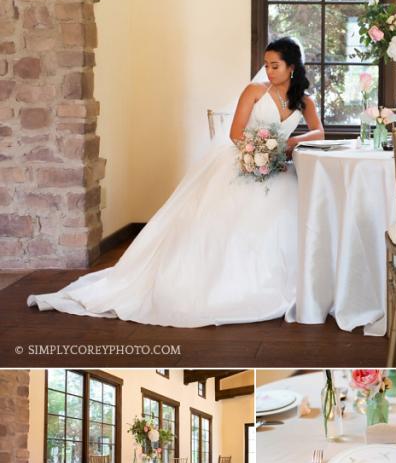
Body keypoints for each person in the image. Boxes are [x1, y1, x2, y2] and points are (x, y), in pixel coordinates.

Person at [28, 37, 324, 326]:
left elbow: (319, 133)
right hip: (246, 161)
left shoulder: (303, 101)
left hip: (277, 169)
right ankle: (222, 288)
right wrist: (262, 153)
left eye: (275, 66)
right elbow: (235, 133)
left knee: (283, 214)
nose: (269, 71)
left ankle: (276, 285)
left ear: (292, 68)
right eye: (266, 65)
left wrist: (290, 142)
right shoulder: (255, 91)